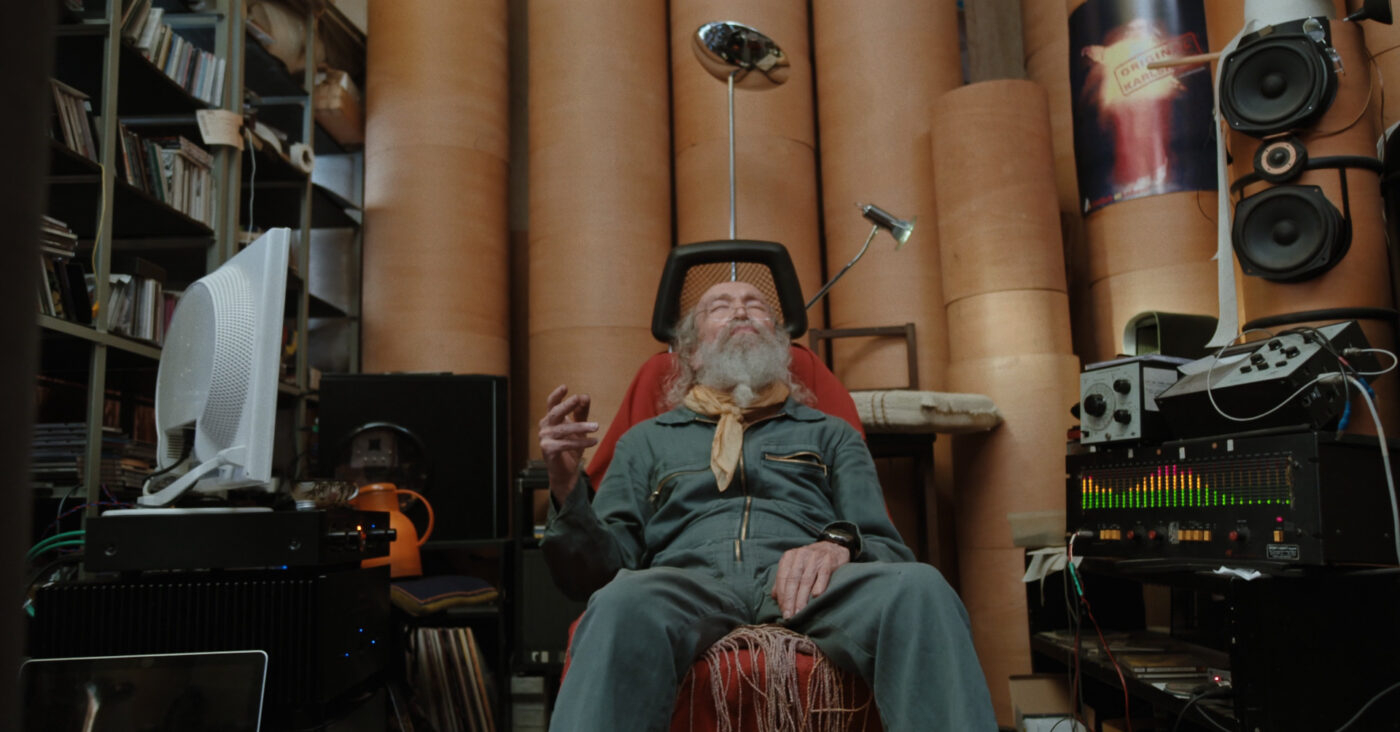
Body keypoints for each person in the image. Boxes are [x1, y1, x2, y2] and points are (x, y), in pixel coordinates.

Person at [537, 279, 997, 731]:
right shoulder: (645, 442)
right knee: (619, 600)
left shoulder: (830, 433)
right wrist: (565, 485)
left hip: (811, 587)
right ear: (692, 354)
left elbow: (885, 545)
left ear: (781, 347)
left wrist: (836, 545)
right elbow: (599, 569)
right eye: (720, 307)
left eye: (755, 306)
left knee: (921, 587)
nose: (740, 311)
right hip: (685, 583)